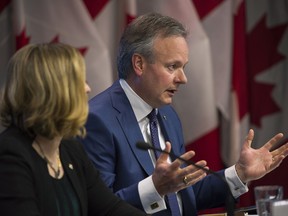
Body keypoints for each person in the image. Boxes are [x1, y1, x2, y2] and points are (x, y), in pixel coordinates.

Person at [80, 13, 288, 216]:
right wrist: (155, 188)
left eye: (183, 67)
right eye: (172, 67)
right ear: (139, 64)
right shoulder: (98, 119)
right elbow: (98, 209)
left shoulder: (166, 114)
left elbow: (183, 196)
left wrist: (240, 173)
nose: (183, 78)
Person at [0, 43, 148, 216]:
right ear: (53, 92)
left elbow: (110, 209)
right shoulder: (9, 155)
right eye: (80, 81)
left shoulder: (70, 148)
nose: (87, 89)